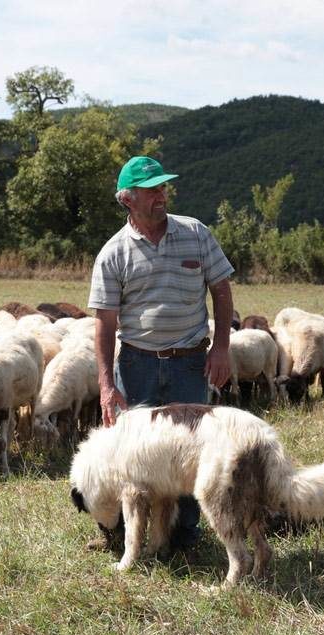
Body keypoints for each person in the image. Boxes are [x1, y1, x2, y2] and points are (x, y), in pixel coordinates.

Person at [86, 155, 235, 552]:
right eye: (152, 190)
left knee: (191, 448)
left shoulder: (196, 234)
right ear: (128, 200)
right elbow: (104, 322)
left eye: (163, 188)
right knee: (132, 455)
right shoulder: (113, 253)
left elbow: (221, 289)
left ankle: (186, 535)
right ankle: (124, 535)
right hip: (137, 364)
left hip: (189, 361)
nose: (161, 196)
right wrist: (105, 383)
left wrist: (221, 347)